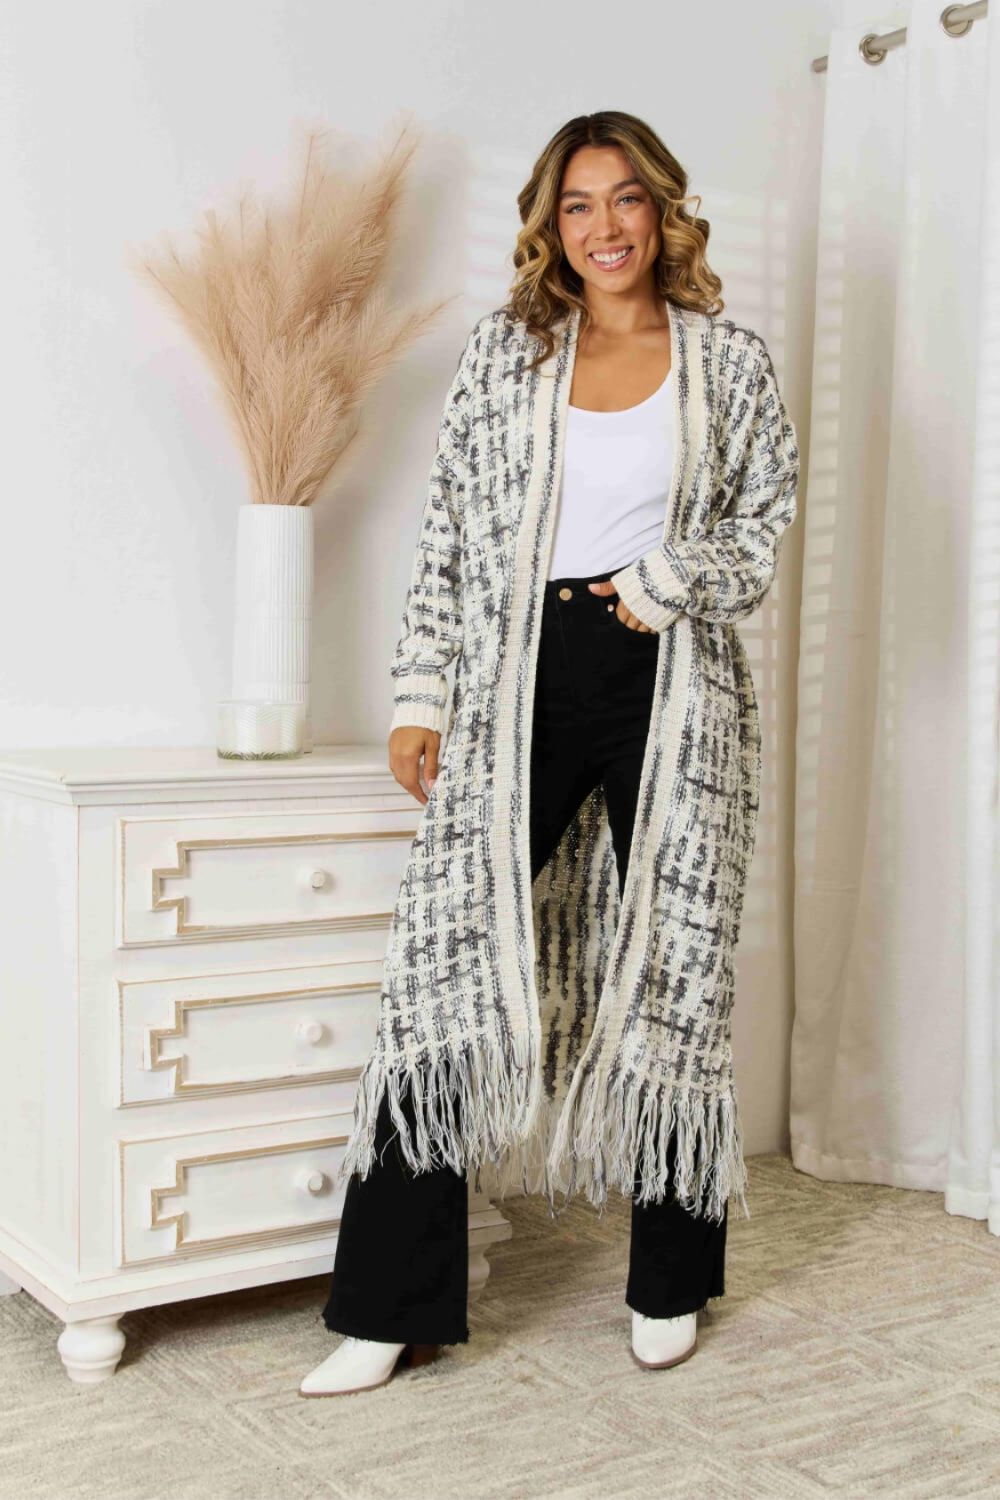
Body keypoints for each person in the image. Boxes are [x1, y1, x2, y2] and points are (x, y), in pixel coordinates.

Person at [299, 110, 799, 1398]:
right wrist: (422, 694)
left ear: (663, 209)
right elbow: (450, 532)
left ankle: (670, 1281)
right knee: (437, 972)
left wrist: (666, 579)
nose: (604, 226)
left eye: (625, 198)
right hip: (517, 679)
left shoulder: (731, 364)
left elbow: (763, 522)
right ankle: (389, 1309)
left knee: (678, 969)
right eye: (577, 205)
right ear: (550, 226)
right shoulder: (507, 355)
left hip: (673, 685)